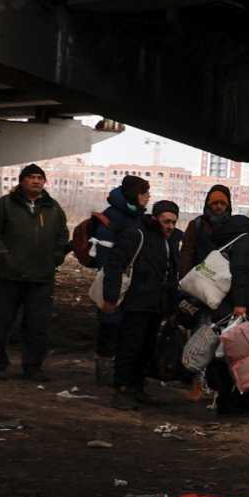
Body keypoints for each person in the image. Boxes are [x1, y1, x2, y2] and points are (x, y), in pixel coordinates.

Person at [0, 165, 69, 381]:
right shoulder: (5, 205)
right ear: (21, 181)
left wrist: (56, 258)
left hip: (41, 278)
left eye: (40, 178)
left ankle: (32, 367)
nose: (36, 181)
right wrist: (4, 258)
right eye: (31, 177)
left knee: (37, 325)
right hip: (9, 276)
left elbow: (62, 236)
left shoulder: (53, 208)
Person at [102, 199, 183, 409]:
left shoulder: (172, 240)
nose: (170, 226)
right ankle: (121, 390)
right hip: (136, 302)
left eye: (173, 222)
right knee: (129, 347)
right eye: (166, 221)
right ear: (155, 218)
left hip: (157, 305)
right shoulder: (136, 235)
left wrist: (172, 305)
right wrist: (110, 297)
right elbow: (115, 265)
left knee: (146, 349)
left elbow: (172, 273)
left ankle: (137, 388)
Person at [205, 200, 249, 415]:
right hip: (242, 308)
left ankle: (233, 400)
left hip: (234, 305)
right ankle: (232, 402)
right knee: (238, 355)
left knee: (233, 354)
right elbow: (242, 271)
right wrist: (241, 303)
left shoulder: (238, 237)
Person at [91, 173, 150, 384]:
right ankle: (105, 372)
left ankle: (118, 372)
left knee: (123, 327)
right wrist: (111, 290)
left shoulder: (136, 216)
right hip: (114, 279)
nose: (148, 197)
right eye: (145, 193)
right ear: (136, 194)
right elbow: (106, 258)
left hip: (130, 282)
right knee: (110, 324)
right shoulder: (115, 217)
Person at [180, 185, 232, 269]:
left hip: (223, 278)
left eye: (223, 203)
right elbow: (187, 253)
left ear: (227, 206)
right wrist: (185, 278)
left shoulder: (233, 226)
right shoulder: (197, 225)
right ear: (209, 205)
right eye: (215, 203)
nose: (219, 206)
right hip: (198, 276)